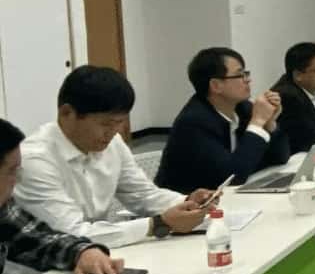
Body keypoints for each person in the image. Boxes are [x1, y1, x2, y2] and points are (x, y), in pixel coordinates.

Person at [15, 67, 214, 249]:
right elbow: (71, 234)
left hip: (97, 253)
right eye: (105, 123)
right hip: (42, 268)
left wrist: (187, 202)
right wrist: (157, 224)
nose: (113, 132)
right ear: (67, 113)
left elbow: (143, 195)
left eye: (119, 122)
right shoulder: (34, 160)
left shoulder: (113, 144)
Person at [0, 118, 128, 274]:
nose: (18, 180)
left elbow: (37, 239)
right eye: (12, 171)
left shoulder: (3, 208)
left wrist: (82, 252)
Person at [155, 47, 290, 193]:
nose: (248, 80)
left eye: (246, 73)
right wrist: (257, 122)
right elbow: (231, 178)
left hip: (230, 195)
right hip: (188, 202)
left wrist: (269, 123)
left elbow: (280, 157)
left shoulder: (243, 108)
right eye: (240, 75)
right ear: (216, 85)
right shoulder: (193, 122)